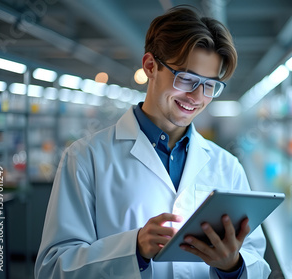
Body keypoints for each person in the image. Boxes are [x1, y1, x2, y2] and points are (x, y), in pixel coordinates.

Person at [35, 5, 271, 279]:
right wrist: (132, 248)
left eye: (209, 85)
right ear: (150, 66)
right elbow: (53, 268)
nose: (196, 96)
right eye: (186, 79)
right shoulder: (86, 158)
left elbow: (257, 263)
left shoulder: (227, 166)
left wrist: (232, 266)